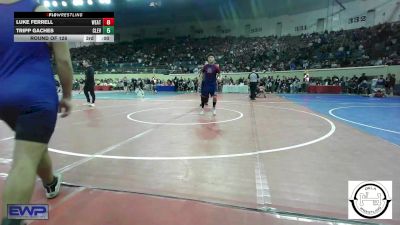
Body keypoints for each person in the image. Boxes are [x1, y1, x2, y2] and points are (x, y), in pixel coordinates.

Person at [0, 1, 73, 225]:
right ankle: (12, 221)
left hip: (3, 96)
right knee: (24, 161)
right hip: (36, 96)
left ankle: (50, 182)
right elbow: (63, 61)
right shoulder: (40, 12)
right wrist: (68, 96)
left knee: (32, 145)